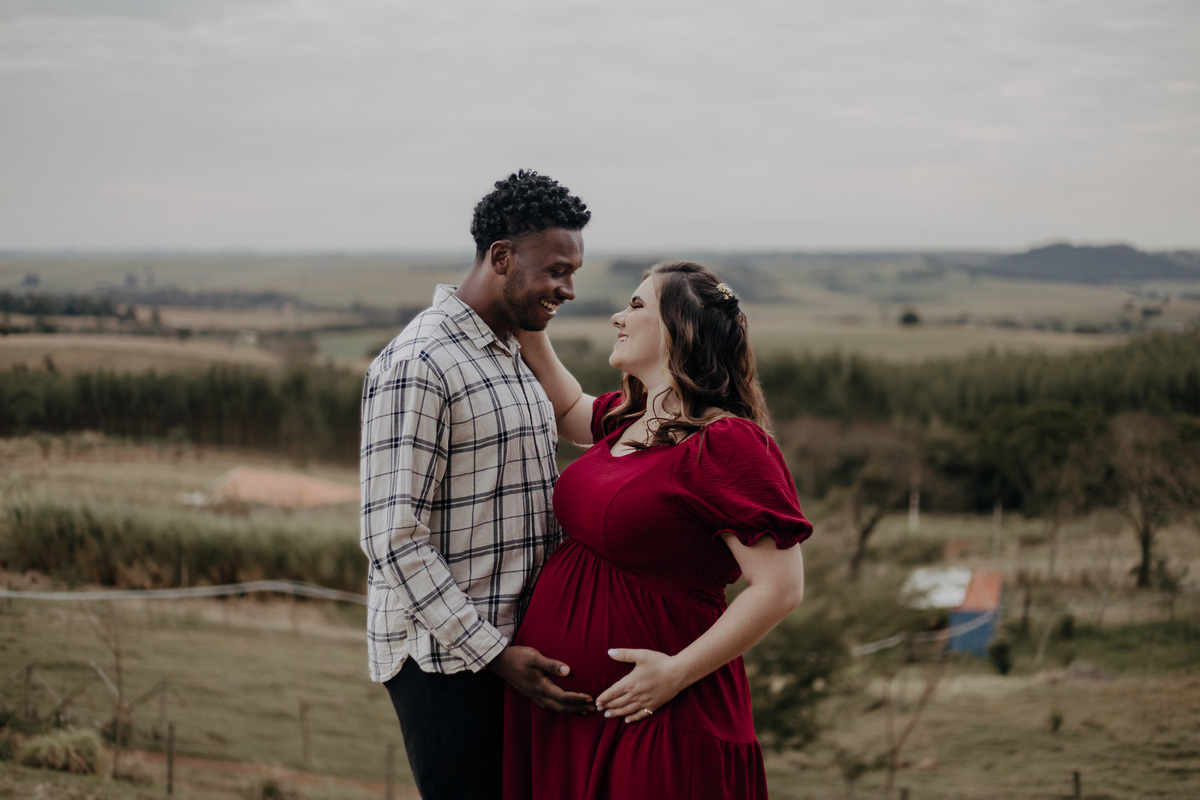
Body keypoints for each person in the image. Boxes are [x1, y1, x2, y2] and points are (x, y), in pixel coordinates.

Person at [503, 261, 812, 799]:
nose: (620, 317)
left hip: (662, 717)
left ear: (682, 328)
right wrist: (530, 322)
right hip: (573, 719)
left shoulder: (728, 443)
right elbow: (571, 407)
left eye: (638, 306)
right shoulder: (633, 418)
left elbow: (779, 588)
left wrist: (674, 673)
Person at [359, 170, 595, 800]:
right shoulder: (421, 362)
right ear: (501, 257)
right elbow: (393, 539)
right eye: (556, 270)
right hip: (450, 664)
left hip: (513, 654)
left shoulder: (511, 349)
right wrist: (494, 655)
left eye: (573, 272)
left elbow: (582, 423)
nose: (568, 289)